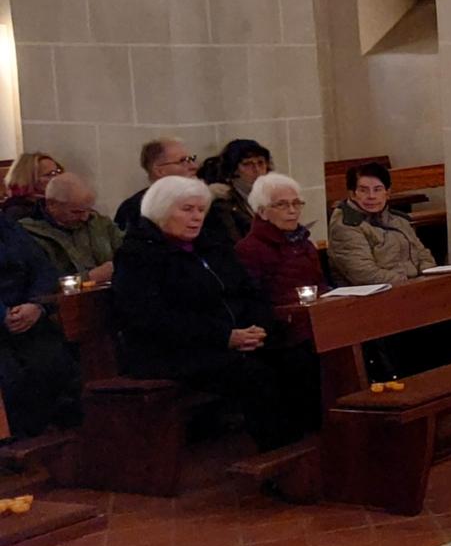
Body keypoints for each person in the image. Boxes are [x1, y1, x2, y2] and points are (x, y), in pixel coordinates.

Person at [111, 176, 318, 450]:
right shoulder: (137, 256)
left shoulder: (211, 246)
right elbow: (151, 318)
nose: (196, 217)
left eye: (200, 210)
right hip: (172, 351)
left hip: (229, 339)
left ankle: (313, 446)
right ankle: (283, 456)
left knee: (298, 354)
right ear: (160, 210)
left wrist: (258, 328)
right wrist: (224, 337)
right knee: (255, 375)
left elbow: (249, 291)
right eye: (186, 210)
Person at [328, 162, 451, 374]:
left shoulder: (397, 220)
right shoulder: (346, 225)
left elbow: (422, 253)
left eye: (377, 190)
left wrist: (427, 276)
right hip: (373, 302)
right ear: (352, 193)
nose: (371, 196)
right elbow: (365, 274)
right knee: (434, 330)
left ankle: (424, 380)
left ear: (388, 193)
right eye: (363, 190)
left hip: (408, 295)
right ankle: (414, 381)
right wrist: (411, 284)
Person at [0, 206, 81, 439]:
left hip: (28, 315)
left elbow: (42, 268)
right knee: (11, 378)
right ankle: (18, 447)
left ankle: (59, 443)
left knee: (58, 364)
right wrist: (3, 314)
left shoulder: (9, 227)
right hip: (5, 321)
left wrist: (37, 306)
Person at [234, 172, 325, 349]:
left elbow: (319, 283)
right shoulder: (249, 249)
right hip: (282, 334)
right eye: (282, 205)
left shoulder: (305, 243)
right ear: (262, 212)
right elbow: (256, 301)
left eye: (296, 203)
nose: (292, 211)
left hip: (318, 322)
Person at [113, 137, 236, 249]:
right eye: (183, 161)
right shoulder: (134, 208)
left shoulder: (201, 201)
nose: (194, 166)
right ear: (159, 170)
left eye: (192, 159)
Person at [20, 173, 121, 285]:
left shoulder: (100, 224)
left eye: (88, 209)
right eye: (76, 212)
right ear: (52, 205)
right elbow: (40, 284)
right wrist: (89, 278)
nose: (85, 217)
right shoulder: (29, 234)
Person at [209, 138, 271, 242]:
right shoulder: (223, 203)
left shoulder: (273, 196)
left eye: (261, 163)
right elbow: (236, 242)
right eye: (247, 164)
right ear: (232, 170)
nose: (257, 169)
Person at [2, 153, 62, 223]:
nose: (58, 177)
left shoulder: (56, 203)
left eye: (58, 172)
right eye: (50, 174)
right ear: (28, 179)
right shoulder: (18, 211)